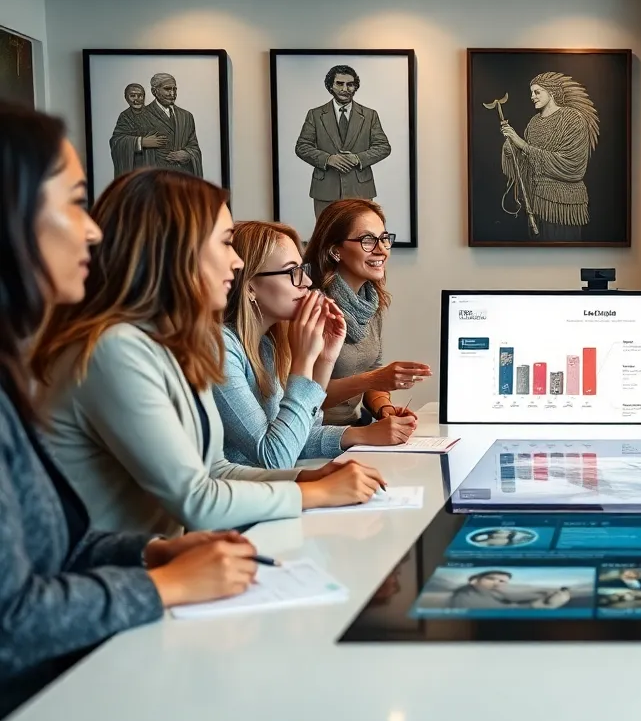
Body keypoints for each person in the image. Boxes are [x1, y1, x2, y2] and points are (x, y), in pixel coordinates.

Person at [0, 103, 271, 718]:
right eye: (72, 201)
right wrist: (161, 582)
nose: (92, 230)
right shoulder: (115, 349)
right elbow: (10, 623)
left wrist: (146, 552)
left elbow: (54, 554)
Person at [31, 169, 386, 536]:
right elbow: (198, 501)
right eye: (223, 243)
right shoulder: (117, 349)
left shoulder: (175, 345)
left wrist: (305, 477)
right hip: (117, 574)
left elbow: (216, 470)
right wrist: (313, 492)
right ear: (173, 251)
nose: (235, 261)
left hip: (160, 559)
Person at [215, 221, 414, 469]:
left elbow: (295, 434)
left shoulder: (265, 345)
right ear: (249, 287)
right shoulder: (221, 348)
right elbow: (274, 457)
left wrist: (326, 360)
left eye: (302, 269)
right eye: (292, 272)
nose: (307, 282)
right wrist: (303, 361)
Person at [302, 198, 431, 427]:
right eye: (367, 240)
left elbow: (371, 369)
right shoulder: (312, 308)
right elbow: (304, 394)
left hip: (355, 428)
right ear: (335, 251)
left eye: (383, 239)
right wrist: (374, 379)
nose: (381, 250)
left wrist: (384, 407)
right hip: (315, 435)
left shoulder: (371, 302)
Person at [499, 72, 599, 242]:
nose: (532, 97)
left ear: (551, 92)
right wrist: (512, 149)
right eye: (531, 93)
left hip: (564, 206)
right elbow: (527, 160)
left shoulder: (573, 118)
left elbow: (572, 165)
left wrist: (522, 144)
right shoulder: (534, 122)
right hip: (535, 203)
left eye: (537, 92)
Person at [295, 65, 391, 221]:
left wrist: (358, 158)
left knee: (360, 235)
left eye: (350, 84)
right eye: (339, 83)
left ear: (355, 87)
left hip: (360, 190)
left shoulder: (369, 115)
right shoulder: (315, 114)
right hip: (325, 190)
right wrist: (328, 159)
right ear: (330, 86)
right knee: (327, 237)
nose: (345, 88)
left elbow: (383, 147)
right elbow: (302, 146)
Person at [137, 73, 202, 176]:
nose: (172, 94)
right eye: (167, 89)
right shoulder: (141, 115)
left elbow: (193, 146)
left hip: (181, 179)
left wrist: (188, 154)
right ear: (154, 91)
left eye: (174, 89)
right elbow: (118, 141)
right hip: (153, 180)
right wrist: (142, 142)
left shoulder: (186, 116)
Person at [108, 83, 163, 178]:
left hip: (156, 166)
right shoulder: (124, 117)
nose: (136, 99)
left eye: (140, 96)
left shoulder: (153, 114)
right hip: (136, 168)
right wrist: (141, 142)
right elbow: (116, 141)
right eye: (132, 96)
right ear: (126, 98)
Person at [448, 570, 571, 609]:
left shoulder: (487, 592)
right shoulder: (465, 596)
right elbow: (500, 610)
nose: (497, 583)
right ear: (474, 580)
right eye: (491, 579)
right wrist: (538, 605)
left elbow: (509, 599)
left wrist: (543, 594)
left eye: (502, 581)